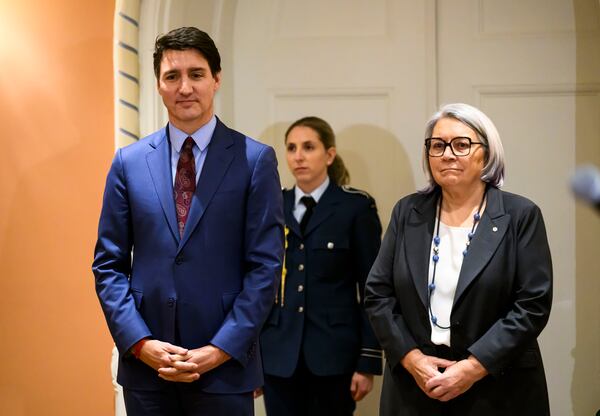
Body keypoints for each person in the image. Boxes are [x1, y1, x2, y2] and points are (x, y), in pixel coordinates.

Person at [92, 26, 284, 416]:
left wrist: (220, 350)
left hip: (224, 368)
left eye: (196, 74)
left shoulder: (255, 161)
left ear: (216, 79)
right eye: (172, 76)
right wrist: (141, 343)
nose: (185, 88)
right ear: (159, 86)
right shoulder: (128, 163)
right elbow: (108, 265)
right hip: (148, 370)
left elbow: (265, 268)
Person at [364, 103, 552, 415]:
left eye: (461, 145)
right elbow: (378, 294)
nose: (447, 154)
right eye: (437, 146)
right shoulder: (407, 212)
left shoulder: (520, 215)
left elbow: (533, 304)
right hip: (417, 385)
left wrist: (473, 368)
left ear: (487, 154)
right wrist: (412, 359)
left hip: (497, 386)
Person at [258, 116, 383, 416]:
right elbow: (256, 284)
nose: (298, 156)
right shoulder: (271, 205)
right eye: (291, 148)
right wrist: (252, 359)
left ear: (329, 154)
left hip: (334, 356)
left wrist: (367, 362)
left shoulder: (355, 208)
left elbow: (373, 289)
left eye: (308, 147)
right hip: (278, 356)